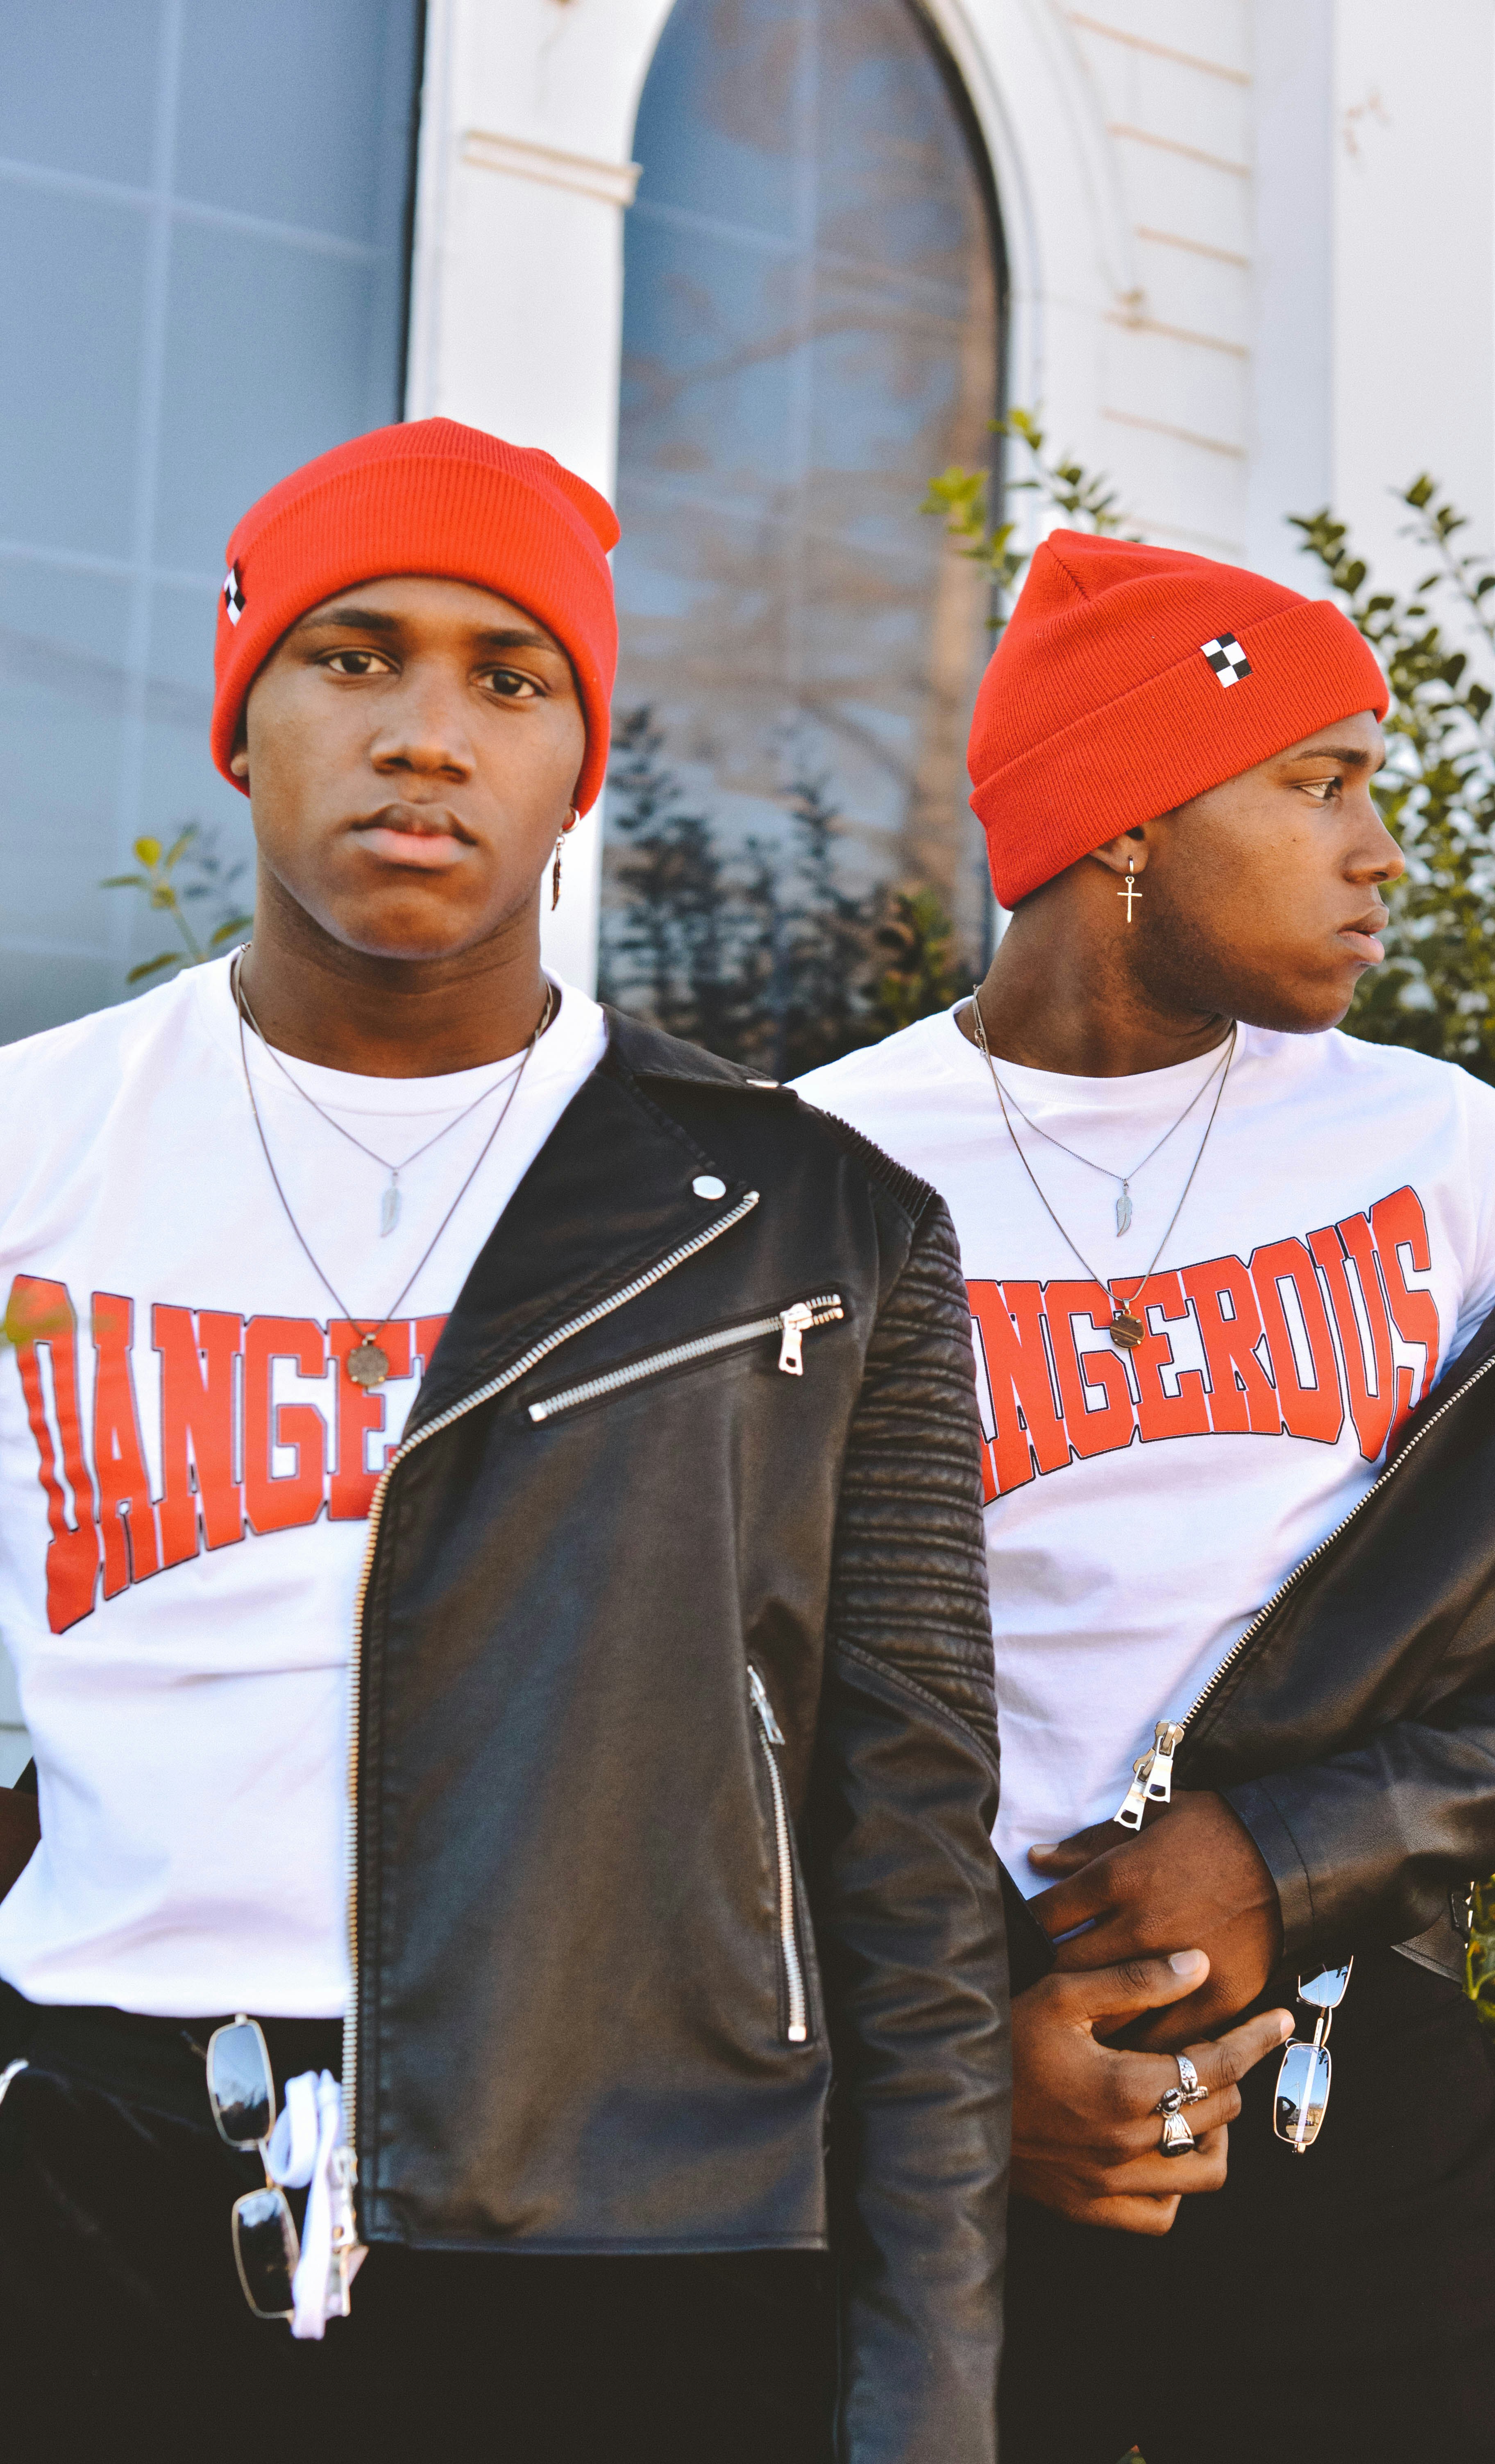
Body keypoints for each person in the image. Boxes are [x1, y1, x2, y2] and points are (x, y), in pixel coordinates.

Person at [0, 417, 1012, 2462]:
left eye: (509, 676)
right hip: (97, 2207)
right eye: (351, 655)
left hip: (635, 2237)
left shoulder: (812, 1225)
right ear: (240, 719)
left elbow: (906, 1857)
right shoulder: (36, 1152)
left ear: (581, 766)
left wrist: (930, 2390)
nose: (426, 733)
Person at [796, 533, 1495, 2464]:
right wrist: (957, 2054)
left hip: (1350, 2084)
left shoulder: (1437, 1149)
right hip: (945, 2129)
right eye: (1317, 782)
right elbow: (698, 1708)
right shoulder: (820, 1172)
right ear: (1124, 817)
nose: (1378, 853)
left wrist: (1293, 1851)